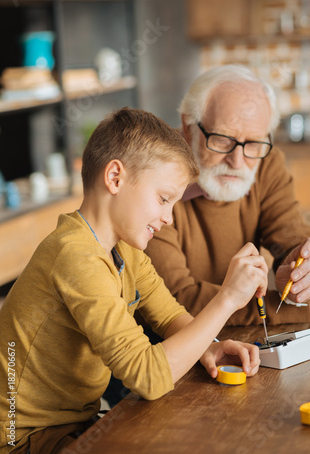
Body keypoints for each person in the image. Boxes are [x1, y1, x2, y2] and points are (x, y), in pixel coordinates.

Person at [0, 107, 268, 454]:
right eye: (163, 199)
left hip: (76, 422)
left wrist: (211, 347)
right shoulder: (76, 256)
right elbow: (149, 377)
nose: (169, 218)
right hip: (22, 438)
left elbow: (169, 315)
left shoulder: (125, 250)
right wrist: (228, 299)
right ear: (115, 178)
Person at [145, 66, 310, 325]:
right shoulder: (153, 174)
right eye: (222, 140)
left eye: (254, 142)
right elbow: (175, 299)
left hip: (241, 336)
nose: (237, 161)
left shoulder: (266, 162)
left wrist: (307, 270)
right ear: (189, 128)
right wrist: (299, 311)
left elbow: (296, 239)